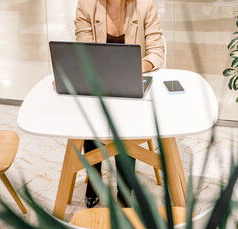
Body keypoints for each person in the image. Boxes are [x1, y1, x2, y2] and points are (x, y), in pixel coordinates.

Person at [65, 0, 165, 208]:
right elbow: (84, 50)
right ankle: (93, 180)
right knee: (93, 115)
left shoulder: (144, 5)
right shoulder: (86, 4)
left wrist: (133, 67)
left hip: (130, 84)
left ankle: (124, 189)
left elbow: (157, 52)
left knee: (125, 124)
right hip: (98, 82)